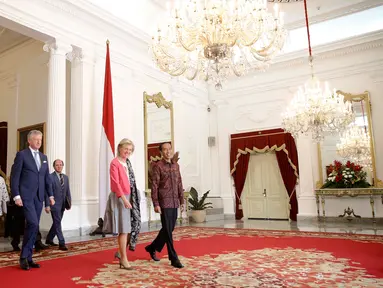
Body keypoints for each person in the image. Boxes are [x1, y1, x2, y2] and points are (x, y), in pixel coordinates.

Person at [11, 130, 54, 270]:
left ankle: (28, 258)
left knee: (32, 226)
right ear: (29, 141)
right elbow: (15, 176)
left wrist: (50, 197)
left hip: (39, 197)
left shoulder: (44, 157)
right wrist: (16, 195)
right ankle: (24, 256)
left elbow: (46, 179)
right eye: (36, 139)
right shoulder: (22, 155)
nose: (38, 142)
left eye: (40, 140)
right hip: (26, 196)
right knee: (33, 224)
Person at [145, 142, 184, 269]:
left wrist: (182, 201)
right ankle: (173, 257)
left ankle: (152, 247)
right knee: (168, 231)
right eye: (165, 150)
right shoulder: (158, 166)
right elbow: (154, 186)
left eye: (169, 149)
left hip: (174, 202)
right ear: (161, 152)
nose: (168, 151)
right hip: (164, 202)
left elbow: (179, 183)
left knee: (169, 229)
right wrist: (156, 203)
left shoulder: (176, 166)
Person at [103, 138, 134, 270]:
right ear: (119, 148)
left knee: (128, 229)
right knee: (124, 229)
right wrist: (124, 200)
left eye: (130, 150)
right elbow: (115, 183)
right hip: (119, 197)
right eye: (126, 148)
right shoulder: (114, 163)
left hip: (129, 196)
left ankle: (121, 253)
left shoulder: (127, 162)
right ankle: (123, 258)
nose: (127, 151)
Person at [45, 159, 71, 251]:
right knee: (58, 223)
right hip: (54, 204)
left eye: (60, 165)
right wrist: (47, 205)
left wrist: (69, 203)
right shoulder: (50, 177)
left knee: (57, 222)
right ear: (54, 166)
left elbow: (68, 191)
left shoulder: (66, 177)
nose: (59, 166)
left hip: (63, 204)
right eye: (57, 165)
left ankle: (49, 239)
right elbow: (47, 192)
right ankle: (62, 242)